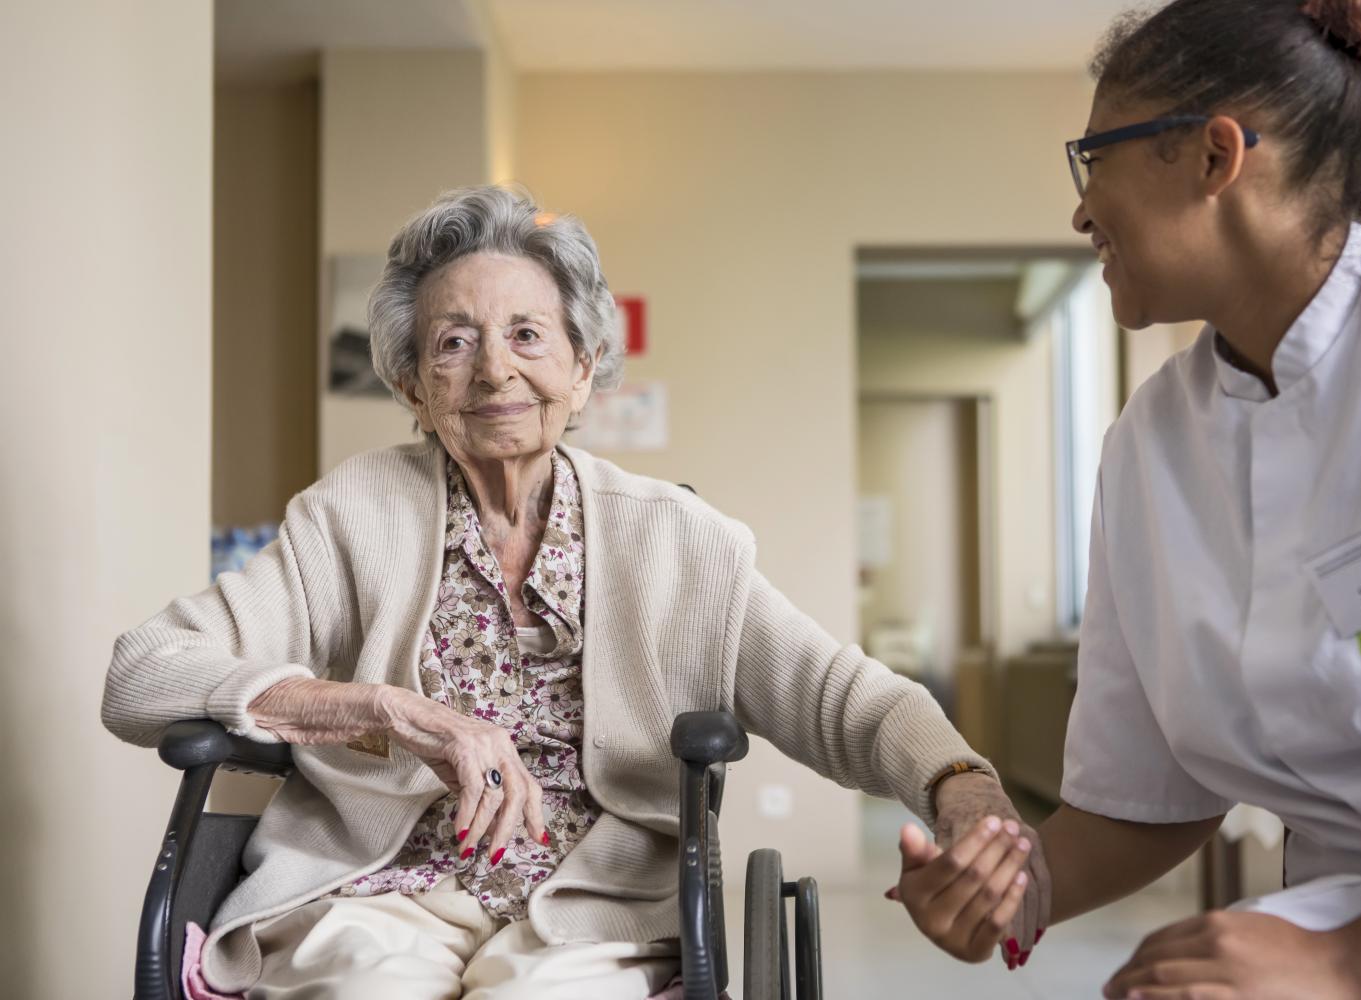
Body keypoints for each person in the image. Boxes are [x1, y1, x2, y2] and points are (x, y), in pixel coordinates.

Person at [103, 185, 1031, 1000]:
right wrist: (388, 710)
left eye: (527, 336)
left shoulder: (677, 540)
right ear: (412, 385)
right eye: (454, 342)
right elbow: (144, 674)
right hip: (373, 895)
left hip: (594, 909)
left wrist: (960, 786)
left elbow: (845, 698)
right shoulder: (354, 513)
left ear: (584, 369)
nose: (495, 370)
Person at [891, 0, 1361, 996]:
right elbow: (1146, 800)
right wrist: (1014, 891)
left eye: (1092, 158)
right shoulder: (1150, 446)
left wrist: (1347, 963)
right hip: (1354, 897)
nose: (1082, 210)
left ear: (1215, 157)